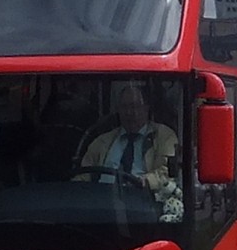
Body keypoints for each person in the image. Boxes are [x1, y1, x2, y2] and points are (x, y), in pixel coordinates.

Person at [75, 85, 183, 220]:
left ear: (146, 108)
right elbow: (82, 176)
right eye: (125, 107)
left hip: (143, 206)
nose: (130, 113)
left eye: (135, 106)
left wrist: (144, 181)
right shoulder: (102, 141)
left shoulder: (164, 136)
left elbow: (167, 172)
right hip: (101, 205)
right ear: (118, 110)